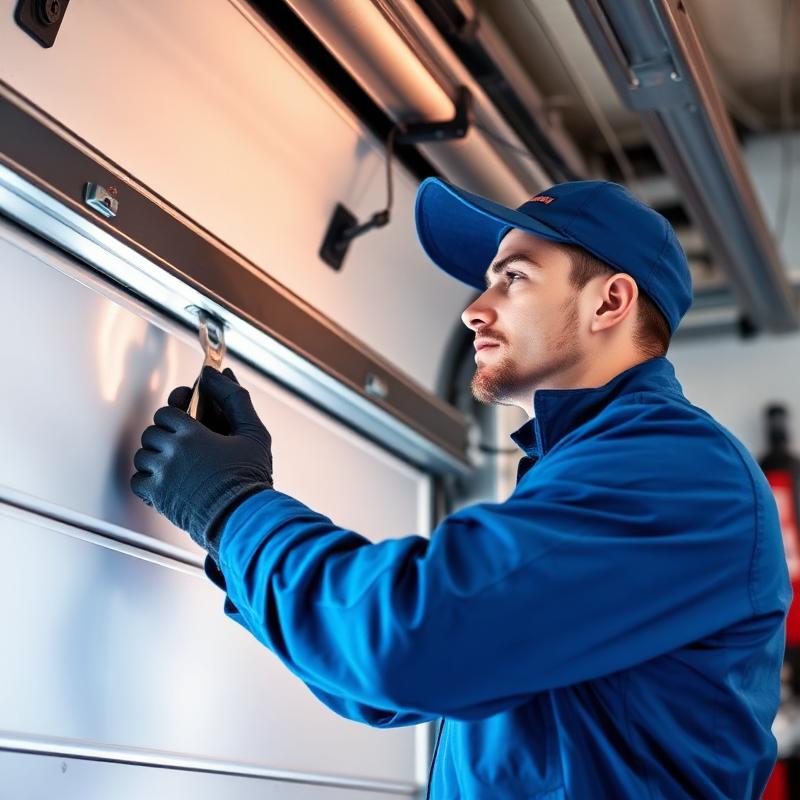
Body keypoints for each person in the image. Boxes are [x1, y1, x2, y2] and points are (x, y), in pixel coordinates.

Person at [131, 178, 790, 799]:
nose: (475, 310)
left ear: (611, 302)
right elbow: (390, 687)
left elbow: (412, 646)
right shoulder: (594, 470)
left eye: (514, 278)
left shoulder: (677, 473)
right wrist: (238, 528)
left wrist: (234, 510)